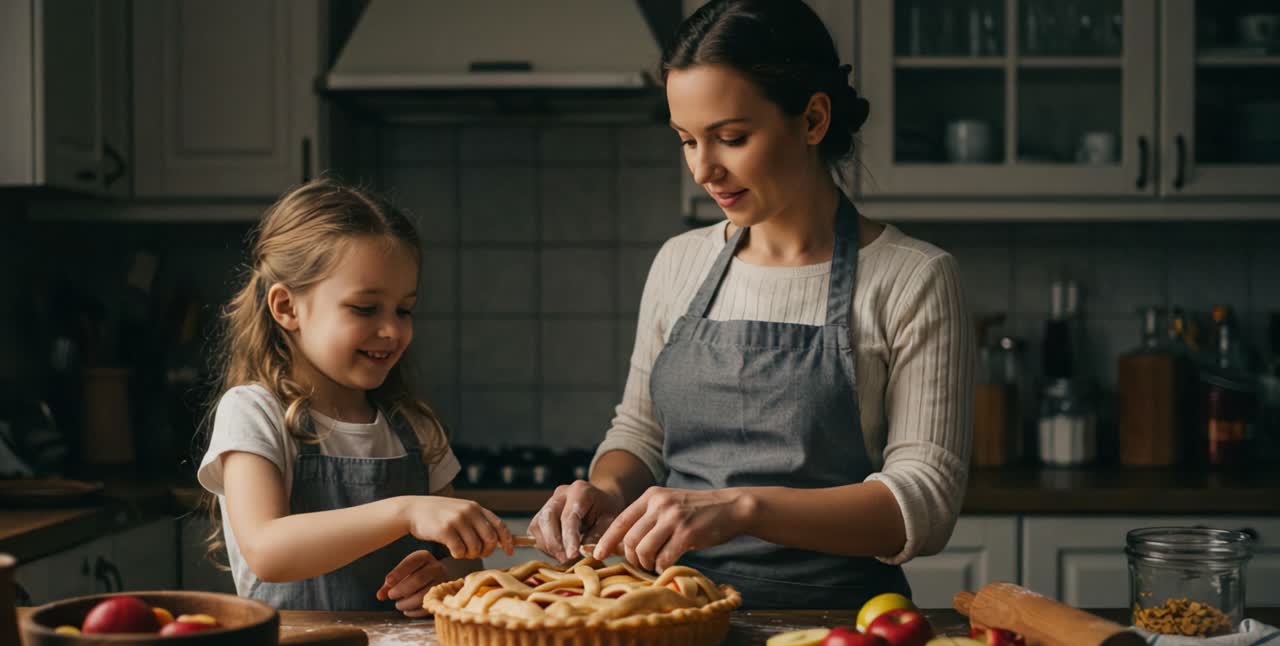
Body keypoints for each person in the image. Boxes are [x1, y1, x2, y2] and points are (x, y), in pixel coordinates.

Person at [530, 0, 975, 609]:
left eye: (731, 138)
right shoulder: (679, 262)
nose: (705, 169)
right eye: (687, 140)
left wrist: (741, 508)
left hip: (838, 629)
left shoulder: (912, 277)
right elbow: (640, 432)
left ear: (813, 119)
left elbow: (922, 503)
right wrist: (605, 489)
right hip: (671, 609)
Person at [197, 178, 513, 614]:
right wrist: (403, 511)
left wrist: (444, 579)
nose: (393, 330)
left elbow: (467, 565)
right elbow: (268, 550)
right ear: (287, 307)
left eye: (404, 309)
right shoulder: (254, 413)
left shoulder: (415, 428)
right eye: (365, 308)